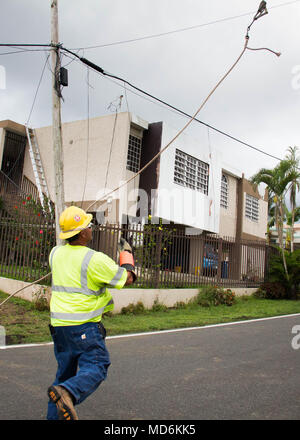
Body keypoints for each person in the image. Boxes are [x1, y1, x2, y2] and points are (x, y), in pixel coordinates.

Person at [47, 206, 136, 420]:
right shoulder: (94, 259)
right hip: (84, 327)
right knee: (97, 366)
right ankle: (69, 393)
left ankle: (59, 404)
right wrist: (127, 256)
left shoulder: (55, 253)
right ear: (82, 233)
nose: (91, 228)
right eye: (88, 225)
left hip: (59, 328)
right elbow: (128, 278)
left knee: (64, 375)